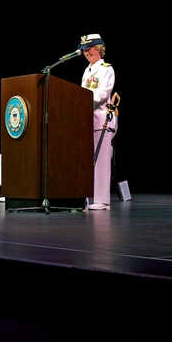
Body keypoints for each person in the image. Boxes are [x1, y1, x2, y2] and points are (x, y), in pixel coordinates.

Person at [78, 34, 119, 210]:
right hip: (87, 120)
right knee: (87, 160)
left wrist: (82, 98)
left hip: (102, 119)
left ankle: (102, 200)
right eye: (84, 50)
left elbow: (102, 94)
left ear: (98, 48)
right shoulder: (87, 71)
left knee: (101, 160)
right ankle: (86, 198)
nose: (87, 53)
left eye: (89, 49)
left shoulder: (106, 69)